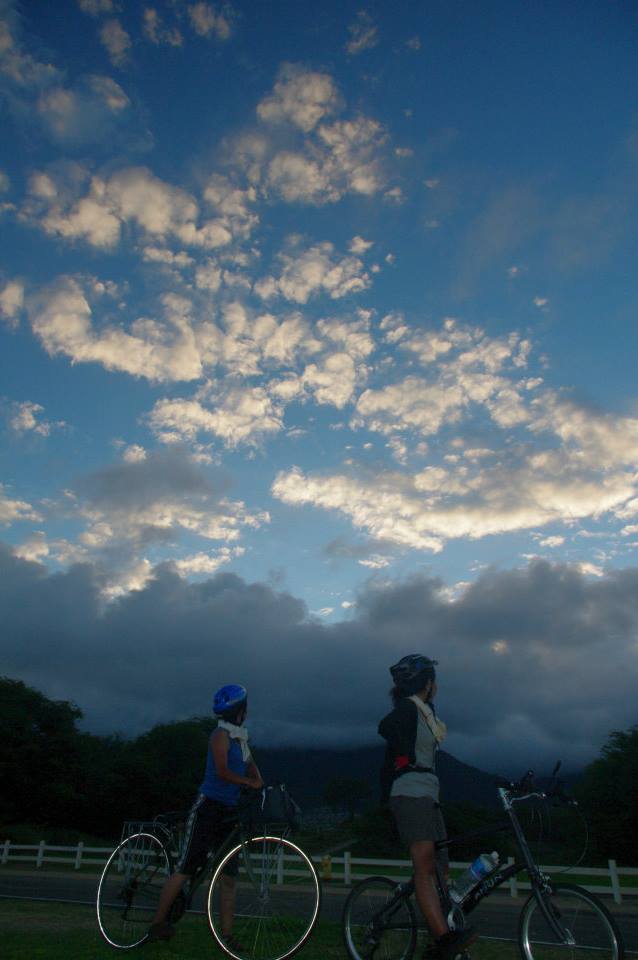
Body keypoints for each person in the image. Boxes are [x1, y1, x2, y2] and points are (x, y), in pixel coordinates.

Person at [148, 683, 263, 946]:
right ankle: (157, 923)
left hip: (229, 812)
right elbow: (223, 772)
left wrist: (257, 781)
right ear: (240, 711)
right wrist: (248, 783)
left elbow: (253, 772)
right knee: (186, 868)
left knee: (229, 877)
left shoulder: (240, 739)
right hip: (208, 807)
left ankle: (227, 936)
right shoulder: (220, 736)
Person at [378, 655, 477, 960]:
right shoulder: (408, 709)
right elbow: (387, 726)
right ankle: (445, 939)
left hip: (428, 795)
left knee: (440, 867)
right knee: (423, 866)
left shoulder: (426, 711)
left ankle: (436, 938)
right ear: (429, 684)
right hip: (410, 794)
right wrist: (404, 755)